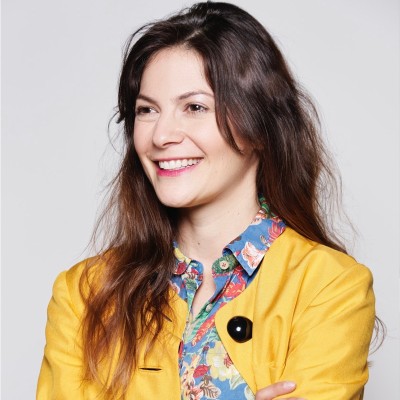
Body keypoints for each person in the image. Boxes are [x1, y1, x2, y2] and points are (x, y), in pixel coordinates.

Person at [36, 2, 377, 399]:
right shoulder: (84, 294)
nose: (161, 135)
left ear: (258, 125)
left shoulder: (331, 287)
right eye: (147, 110)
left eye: (195, 107)